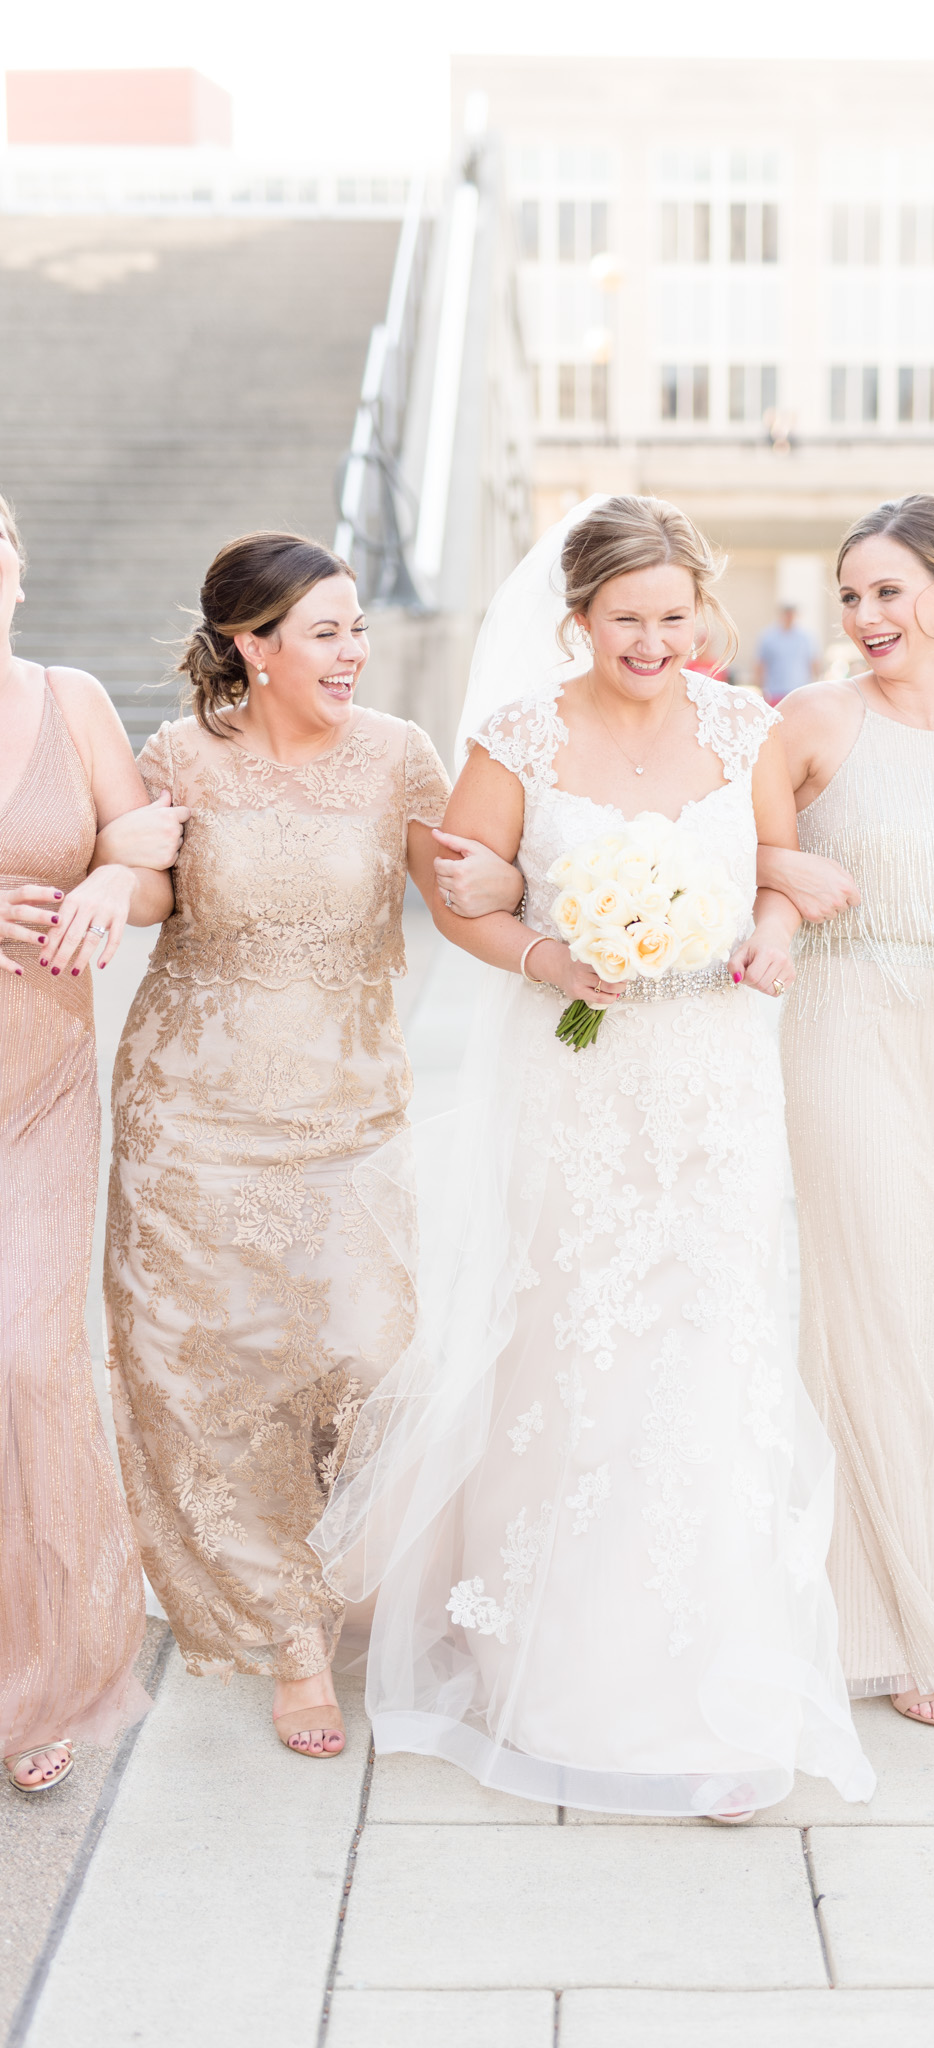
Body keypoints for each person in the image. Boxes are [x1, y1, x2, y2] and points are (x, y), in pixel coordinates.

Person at [311, 495, 875, 1820]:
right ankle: (550, 1658)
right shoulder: (516, 738)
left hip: (718, 1079)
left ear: (702, 615)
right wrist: (550, 954)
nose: (652, 639)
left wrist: (779, 929)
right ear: (577, 621)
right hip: (578, 1077)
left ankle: (719, 1671)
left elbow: (782, 868)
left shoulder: (743, 724)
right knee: (580, 1342)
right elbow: (470, 901)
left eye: (674, 616)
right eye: (626, 618)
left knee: (715, 1349)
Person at [106, 532, 452, 1760]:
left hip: (351, 1113)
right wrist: (117, 866)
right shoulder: (177, 758)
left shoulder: (401, 755)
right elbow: (151, 899)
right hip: (191, 1115)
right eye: (326, 631)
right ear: (253, 647)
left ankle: (335, 1565)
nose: (353, 652)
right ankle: (292, 1635)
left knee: (365, 1352)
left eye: (357, 628)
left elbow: (464, 899)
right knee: (225, 1379)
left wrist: (604, 905)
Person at [755, 495, 934, 1729]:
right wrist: (778, 868)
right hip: (841, 1023)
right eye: (850, 594)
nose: (864, 615)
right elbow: (737, 855)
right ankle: (902, 1621)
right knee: (862, 1297)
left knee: (926, 1315)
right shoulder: (811, 719)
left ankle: (876, 1597)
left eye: (887, 591)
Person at [0, 491, 183, 1793]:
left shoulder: (67, 702)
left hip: (42, 1085)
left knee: (30, 1359)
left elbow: (151, 860)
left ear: (14, 568)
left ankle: (52, 1667)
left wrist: (118, 880)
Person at [756, 601, 818, 705]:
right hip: (775, 691)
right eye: (787, 614)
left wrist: (815, 684)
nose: (789, 617)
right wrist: (761, 688)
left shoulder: (805, 637)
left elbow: (813, 662)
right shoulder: (768, 637)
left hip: (799, 690)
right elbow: (760, 664)